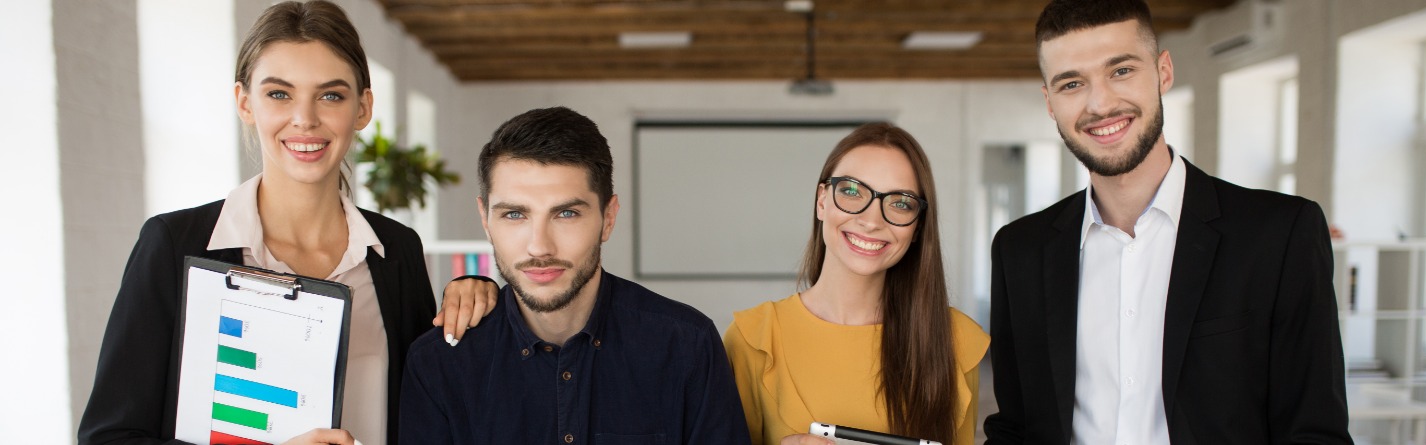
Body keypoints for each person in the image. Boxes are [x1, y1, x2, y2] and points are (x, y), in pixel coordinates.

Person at [77, 2, 494, 444]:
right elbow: (109, 437)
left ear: (362, 109)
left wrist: (474, 291)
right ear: (245, 102)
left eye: (331, 95)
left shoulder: (396, 249)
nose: (305, 118)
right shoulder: (174, 245)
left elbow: (427, 406)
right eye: (279, 93)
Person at [982, 0, 1352, 443]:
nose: (1100, 103)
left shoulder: (1280, 234)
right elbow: (1017, 427)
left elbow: (1315, 432)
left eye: (1121, 71)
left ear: (1163, 72)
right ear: (1049, 102)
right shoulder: (1019, 249)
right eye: (1072, 83)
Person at [398, 106, 749, 444]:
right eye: (515, 215)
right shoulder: (439, 362)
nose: (539, 247)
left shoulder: (687, 345)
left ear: (608, 218)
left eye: (566, 213)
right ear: (485, 220)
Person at [724, 123, 989, 445]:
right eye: (851, 191)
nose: (871, 221)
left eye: (900, 203)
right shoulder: (754, 337)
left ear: (918, 227)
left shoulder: (957, 340)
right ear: (822, 200)